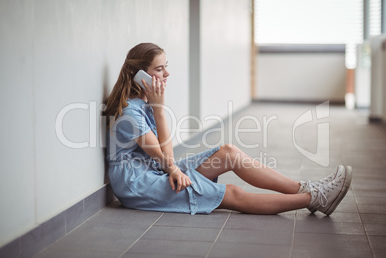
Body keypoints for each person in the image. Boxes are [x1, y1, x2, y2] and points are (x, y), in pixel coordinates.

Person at [105, 43, 352, 216]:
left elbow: (163, 159)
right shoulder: (130, 114)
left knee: (228, 152)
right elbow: (164, 158)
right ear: (139, 76)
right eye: (159, 69)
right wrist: (160, 110)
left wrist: (157, 111)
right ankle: (315, 199)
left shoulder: (142, 105)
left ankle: (306, 188)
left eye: (165, 66)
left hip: (155, 168)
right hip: (137, 184)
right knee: (232, 193)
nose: (167, 73)